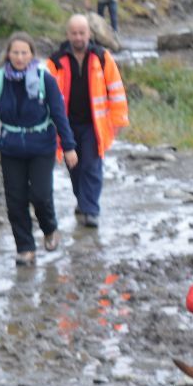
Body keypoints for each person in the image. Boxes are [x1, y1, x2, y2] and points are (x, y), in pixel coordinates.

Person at [0, 32, 79, 266]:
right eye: (15, 52)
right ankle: (25, 248)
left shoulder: (45, 79)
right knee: (15, 200)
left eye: (24, 53)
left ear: (32, 54)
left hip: (41, 146)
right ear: (8, 54)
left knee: (41, 195)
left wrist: (69, 147)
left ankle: (50, 228)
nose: (20, 57)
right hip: (11, 148)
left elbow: (58, 115)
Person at [46, 14, 129, 229]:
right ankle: (82, 201)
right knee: (74, 166)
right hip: (66, 126)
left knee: (91, 165)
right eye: (74, 33)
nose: (78, 37)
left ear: (89, 34)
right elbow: (44, 96)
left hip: (95, 125)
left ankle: (91, 210)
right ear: (68, 35)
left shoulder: (102, 57)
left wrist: (118, 120)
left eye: (82, 33)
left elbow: (116, 90)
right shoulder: (55, 61)